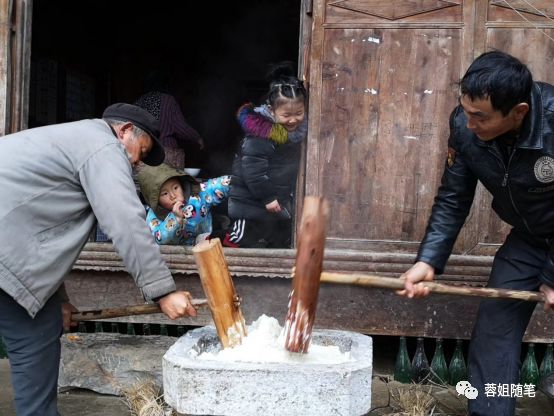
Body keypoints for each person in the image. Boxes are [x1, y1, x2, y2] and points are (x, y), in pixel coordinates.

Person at [0, 103, 198, 416]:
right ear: (124, 132)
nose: (135, 162)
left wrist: (58, 297)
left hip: (9, 252)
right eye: (140, 151)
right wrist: (163, 291)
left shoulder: (73, 139)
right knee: (34, 345)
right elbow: (125, 220)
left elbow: (37, 233)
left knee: (45, 323)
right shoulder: (104, 146)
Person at [397, 51, 554, 415]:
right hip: (531, 238)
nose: (468, 124)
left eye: (479, 117)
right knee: (495, 325)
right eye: (465, 111)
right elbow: (453, 198)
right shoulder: (465, 127)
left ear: (519, 112)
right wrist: (428, 261)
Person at [218, 62, 308, 248]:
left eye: (299, 113)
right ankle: (213, 255)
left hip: (273, 203)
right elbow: (253, 171)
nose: (293, 120)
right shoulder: (261, 133)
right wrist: (267, 197)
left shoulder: (295, 134)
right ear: (272, 111)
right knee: (238, 239)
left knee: (277, 239)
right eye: (286, 115)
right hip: (250, 202)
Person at [136, 163, 231, 245]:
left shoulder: (197, 195)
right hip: (175, 257)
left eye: (175, 188)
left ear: (181, 184)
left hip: (206, 245)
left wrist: (234, 182)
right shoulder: (153, 216)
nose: (173, 196)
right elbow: (161, 239)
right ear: (155, 200)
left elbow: (215, 186)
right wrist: (176, 218)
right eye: (165, 193)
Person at [135, 91, 204, 170]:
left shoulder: (140, 100)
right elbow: (180, 127)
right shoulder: (167, 100)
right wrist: (197, 137)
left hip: (144, 156)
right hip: (165, 155)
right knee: (170, 181)